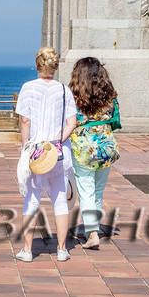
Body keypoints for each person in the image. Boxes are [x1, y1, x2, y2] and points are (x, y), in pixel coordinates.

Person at [14, 47, 77, 262]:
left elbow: (25, 121)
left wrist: (26, 147)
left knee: (31, 201)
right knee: (60, 201)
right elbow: (72, 122)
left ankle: (27, 250)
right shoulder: (63, 90)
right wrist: (58, 140)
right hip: (58, 153)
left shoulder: (28, 88)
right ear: (56, 66)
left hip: (36, 151)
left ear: (37, 66)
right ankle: (61, 249)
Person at [68, 57, 121, 250]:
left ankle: (92, 233)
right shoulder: (109, 94)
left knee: (86, 190)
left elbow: (69, 120)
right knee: (97, 191)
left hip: (83, 148)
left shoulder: (73, 95)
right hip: (106, 146)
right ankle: (94, 227)